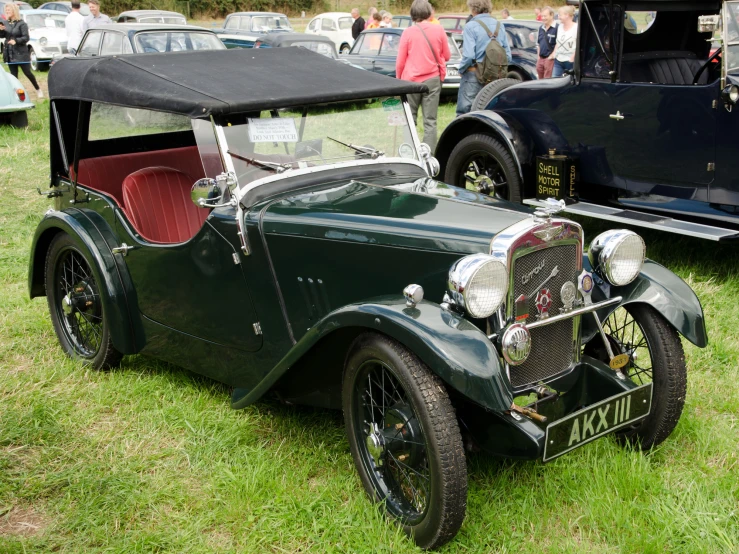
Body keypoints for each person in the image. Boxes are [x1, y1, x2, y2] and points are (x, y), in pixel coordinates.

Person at [396, 0, 450, 151]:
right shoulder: (438, 30)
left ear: (412, 14)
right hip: (432, 79)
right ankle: (429, 155)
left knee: (409, 119)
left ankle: (410, 152)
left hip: (410, 80)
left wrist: (399, 80)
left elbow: (400, 61)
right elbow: (447, 55)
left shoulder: (407, 32)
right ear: (428, 12)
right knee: (430, 120)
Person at [456, 0, 511, 116]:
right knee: (491, 112)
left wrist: (461, 70)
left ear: (473, 8)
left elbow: (469, 55)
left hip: (474, 74)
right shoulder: (499, 25)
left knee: (465, 112)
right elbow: (508, 56)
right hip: (495, 75)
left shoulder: (470, 26)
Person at [0, 3, 43, 99]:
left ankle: (37, 88)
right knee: (13, 75)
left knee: (28, 73)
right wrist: (1, 30)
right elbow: (2, 36)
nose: (7, 12)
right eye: (6, 10)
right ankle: (15, 94)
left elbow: (26, 37)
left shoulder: (22, 24)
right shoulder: (5, 22)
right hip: (10, 52)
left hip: (21, 52)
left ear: (14, 11)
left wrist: (16, 41)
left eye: (9, 10)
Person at [552, 5, 577, 77]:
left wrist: (572, 58)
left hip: (570, 61)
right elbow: (558, 42)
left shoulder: (576, 28)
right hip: (558, 60)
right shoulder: (559, 27)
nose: (558, 17)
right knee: (555, 80)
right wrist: (554, 53)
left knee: (570, 82)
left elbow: (578, 45)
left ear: (567, 15)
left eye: (560, 15)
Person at [536, 6, 557, 79]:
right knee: (540, 80)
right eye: (542, 16)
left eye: (545, 16)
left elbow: (558, 44)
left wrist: (551, 56)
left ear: (551, 15)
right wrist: (538, 57)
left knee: (548, 80)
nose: (543, 18)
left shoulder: (557, 27)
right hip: (541, 58)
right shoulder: (541, 28)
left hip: (550, 59)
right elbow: (538, 43)